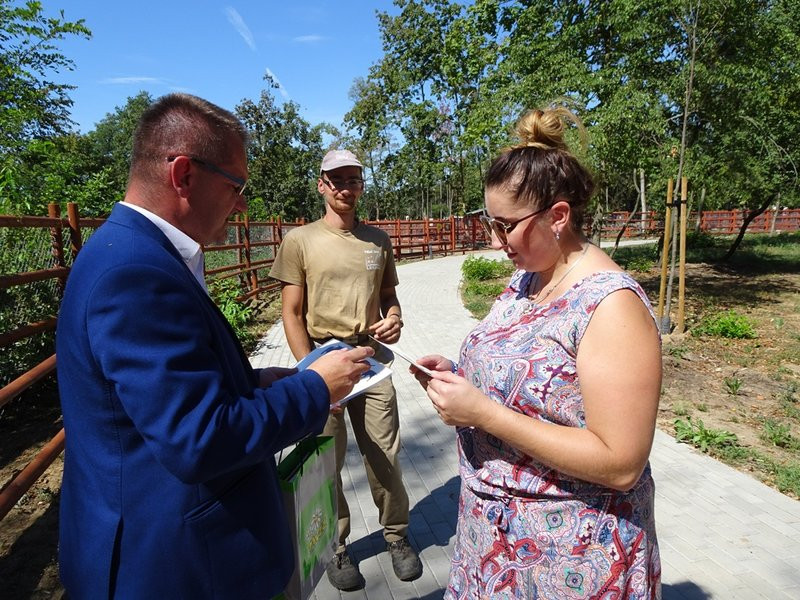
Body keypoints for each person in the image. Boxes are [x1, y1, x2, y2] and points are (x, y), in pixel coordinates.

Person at [55, 93, 374, 599]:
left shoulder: (133, 253)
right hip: (176, 569)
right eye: (236, 186)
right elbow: (198, 439)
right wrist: (314, 388)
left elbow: (163, 397)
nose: (242, 203)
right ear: (183, 174)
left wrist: (253, 382)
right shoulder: (134, 274)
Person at [413, 106, 662, 598]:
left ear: (558, 217)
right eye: (489, 223)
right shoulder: (528, 279)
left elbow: (621, 463)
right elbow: (538, 386)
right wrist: (460, 375)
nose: (495, 241)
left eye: (505, 226)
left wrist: (482, 413)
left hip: (573, 557)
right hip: (493, 543)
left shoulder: (610, 306)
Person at [269, 149, 423, 590]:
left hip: (371, 360)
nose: (345, 188)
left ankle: (397, 535)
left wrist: (395, 318)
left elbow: (389, 296)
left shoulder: (378, 240)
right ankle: (335, 546)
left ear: (361, 186)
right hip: (323, 359)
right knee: (325, 459)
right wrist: (310, 375)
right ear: (321, 184)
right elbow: (291, 313)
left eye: (353, 180)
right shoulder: (300, 240)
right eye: (336, 180)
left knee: (384, 453)